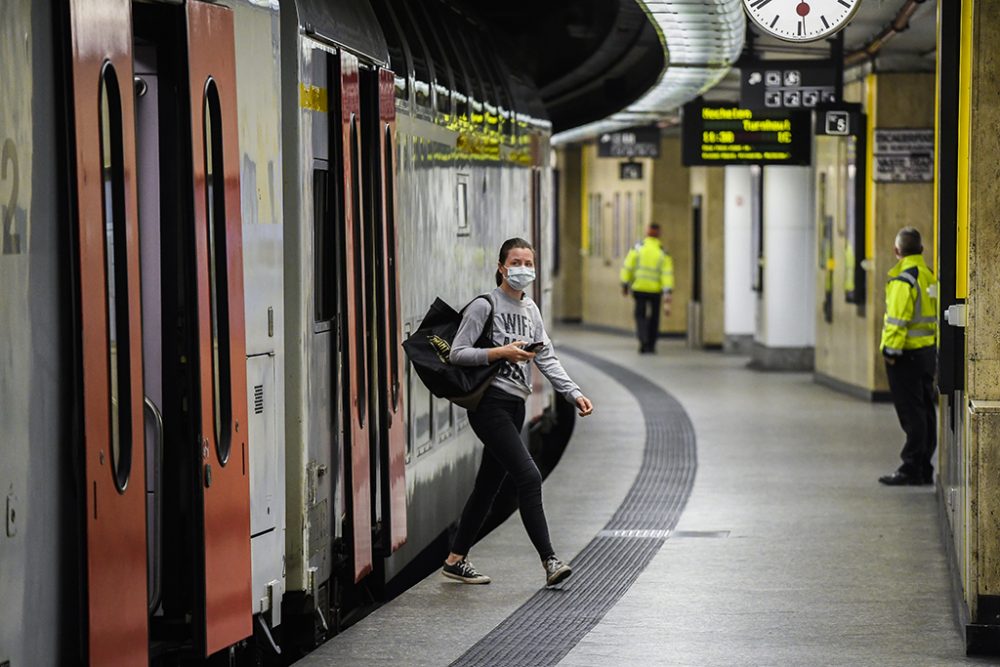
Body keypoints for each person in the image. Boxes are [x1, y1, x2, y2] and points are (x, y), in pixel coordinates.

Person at [443, 237, 594, 587]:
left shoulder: (531, 310)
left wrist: (573, 393)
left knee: (487, 486)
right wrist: (501, 353)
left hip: (515, 406)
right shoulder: (485, 306)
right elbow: (456, 353)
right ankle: (550, 560)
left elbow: (547, 358)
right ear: (501, 266)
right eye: (516, 262)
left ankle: (455, 559)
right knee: (529, 476)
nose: (523, 269)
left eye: (528, 263)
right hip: (488, 405)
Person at [878, 227, 938, 486]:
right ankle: (923, 465)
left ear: (896, 251)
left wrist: (890, 351)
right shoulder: (929, 276)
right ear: (921, 250)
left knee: (911, 412)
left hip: (906, 355)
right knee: (925, 410)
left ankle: (911, 467)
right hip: (927, 352)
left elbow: (897, 320)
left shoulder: (904, 279)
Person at [620, 223, 674, 353]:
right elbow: (667, 274)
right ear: (659, 233)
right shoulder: (662, 252)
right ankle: (651, 344)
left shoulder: (638, 248)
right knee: (654, 318)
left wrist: (625, 284)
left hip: (639, 288)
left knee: (640, 315)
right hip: (655, 290)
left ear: (647, 232)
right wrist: (667, 292)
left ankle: (643, 339)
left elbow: (628, 267)